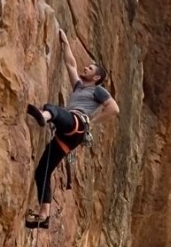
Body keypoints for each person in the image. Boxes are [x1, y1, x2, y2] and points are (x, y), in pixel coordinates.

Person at [25, 29, 119, 228]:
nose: (86, 67)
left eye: (91, 68)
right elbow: (71, 64)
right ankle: (44, 215)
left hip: (77, 123)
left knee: (55, 111)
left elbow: (114, 108)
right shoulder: (79, 87)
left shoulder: (97, 90)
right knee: (42, 170)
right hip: (67, 136)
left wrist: (93, 121)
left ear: (96, 78)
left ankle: (43, 116)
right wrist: (65, 41)